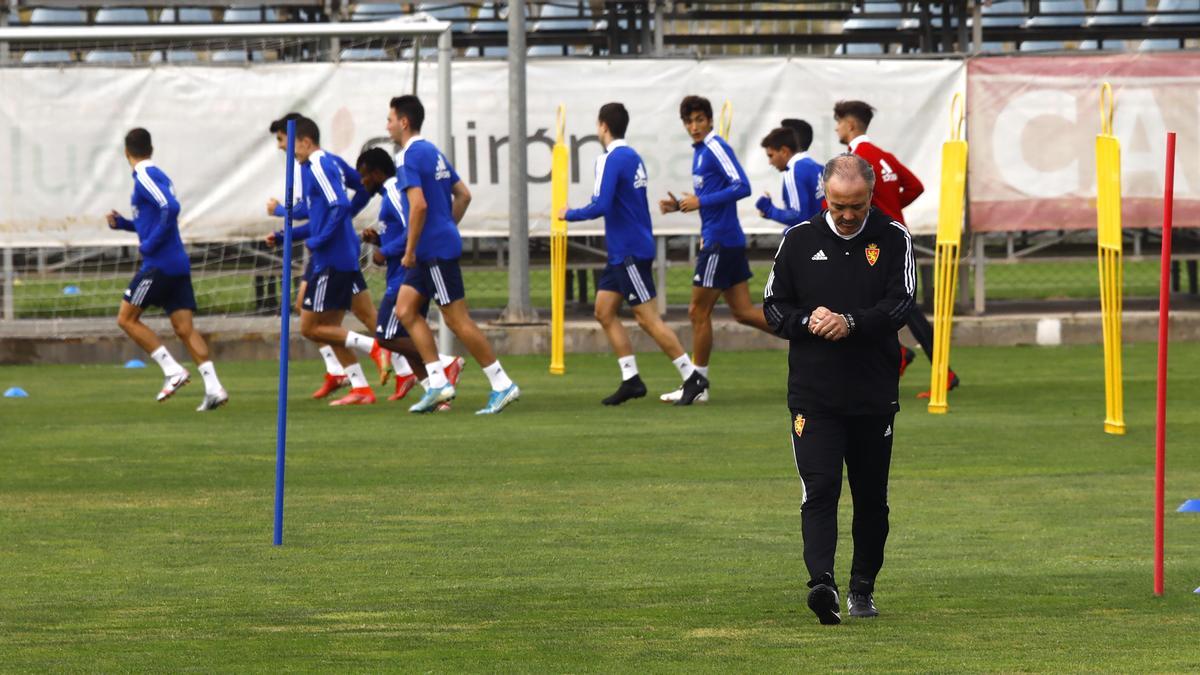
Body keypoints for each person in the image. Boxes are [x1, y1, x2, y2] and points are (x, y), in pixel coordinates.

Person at [763, 154, 914, 625]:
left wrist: (850, 322)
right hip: (814, 395)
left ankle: (862, 587)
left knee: (871, 497)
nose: (848, 214)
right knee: (820, 488)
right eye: (838, 204)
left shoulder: (892, 238)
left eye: (858, 205)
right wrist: (808, 321)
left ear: (871, 197)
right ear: (823, 196)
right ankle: (822, 584)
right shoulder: (798, 240)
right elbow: (772, 307)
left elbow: (902, 304)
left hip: (872, 393)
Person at [559, 102, 707, 406]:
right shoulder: (633, 156)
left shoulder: (611, 158)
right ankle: (631, 379)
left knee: (648, 318)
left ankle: (691, 376)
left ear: (602, 126)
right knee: (604, 310)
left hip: (628, 251)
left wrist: (568, 214)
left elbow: (600, 205)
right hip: (623, 250)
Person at [386, 94, 520, 415]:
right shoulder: (432, 151)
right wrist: (447, 224)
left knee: (457, 320)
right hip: (433, 245)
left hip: (429, 250)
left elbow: (418, 205)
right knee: (405, 310)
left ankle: (502, 384)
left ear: (404, 122)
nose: (387, 125)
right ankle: (437, 382)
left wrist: (410, 249)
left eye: (390, 119)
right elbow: (464, 195)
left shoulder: (406, 158)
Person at [833, 99, 957, 396]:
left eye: (838, 122)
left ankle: (944, 373)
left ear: (850, 125)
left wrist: (879, 217)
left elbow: (854, 201)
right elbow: (914, 187)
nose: (836, 128)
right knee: (868, 302)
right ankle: (900, 355)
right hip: (894, 237)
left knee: (905, 310)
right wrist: (891, 210)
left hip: (881, 244)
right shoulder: (883, 156)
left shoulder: (857, 161)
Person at [657, 95, 773, 404]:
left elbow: (742, 186)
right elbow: (711, 199)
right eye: (689, 121)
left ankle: (698, 384)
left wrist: (700, 201)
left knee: (698, 311)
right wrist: (682, 206)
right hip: (724, 239)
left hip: (719, 241)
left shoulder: (715, 146)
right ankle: (805, 335)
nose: (694, 126)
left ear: (710, 120)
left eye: (699, 120)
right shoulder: (700, 153)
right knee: (744, 313)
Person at [264, 113, 389, 398]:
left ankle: (391, 355)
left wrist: (321, 237)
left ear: (305, 141)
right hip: (331, 253)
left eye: (283, 140)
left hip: (333, 255)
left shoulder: (319, 163)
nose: (281, 147)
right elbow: (328, 207)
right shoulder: (314, 165)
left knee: (315, 327)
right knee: (326, 324)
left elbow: (337, 205)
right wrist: (285, 230)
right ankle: (357, 384)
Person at [107, 127, 228, 411]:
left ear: (127, 153)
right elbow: (155, 217)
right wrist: (125, 224)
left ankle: (173, 370)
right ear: (151, 148)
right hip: (177, 263)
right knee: (184, 328)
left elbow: (170, 207)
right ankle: (214, 388)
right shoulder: (159, 175)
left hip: (159, 264)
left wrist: (150, 243)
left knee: (126, 319)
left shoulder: (145, 175)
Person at [355, 147, 465, 403]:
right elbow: (401, 231)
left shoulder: (394, 190)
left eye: (364, 176)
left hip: (405, 275)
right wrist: (380, 240)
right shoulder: (390, 192)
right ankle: (436, 395)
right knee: (403, 336)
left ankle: (445, 363)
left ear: (377, 172)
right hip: (402, 272)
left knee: (387, 336)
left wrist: (386, 250)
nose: (362, 182)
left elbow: (413, 228)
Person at [757, 123, 823, 226]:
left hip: (810, 239)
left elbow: (799, 217)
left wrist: (769, 210)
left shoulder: (793, 172)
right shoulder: (817, 166)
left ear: (784, 151)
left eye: (771, 155)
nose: (770, 162)